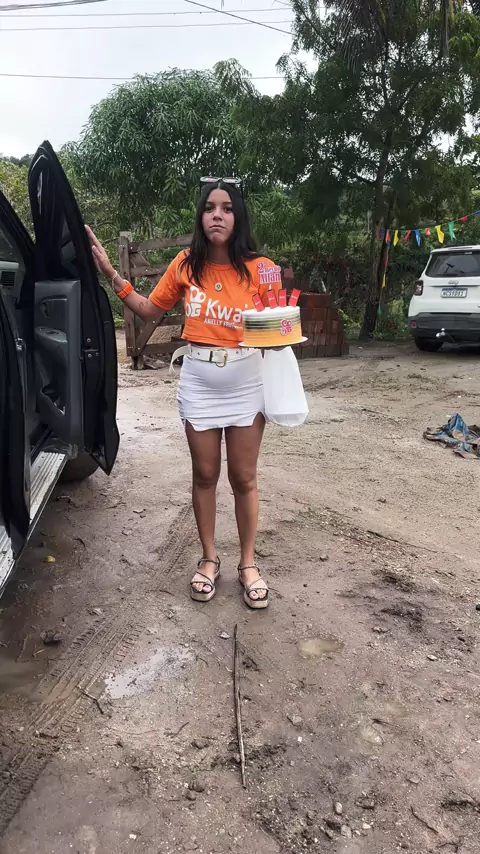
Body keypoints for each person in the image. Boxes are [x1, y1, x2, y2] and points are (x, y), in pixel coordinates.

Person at [86, 178, 282, 610]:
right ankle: (209, 559)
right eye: (210, 208)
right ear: (200, 216)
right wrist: (111, 274)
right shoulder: (185, 265)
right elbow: (148, 310)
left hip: (248, 383)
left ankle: (248, 564)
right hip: (199, 383)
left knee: (244, 478)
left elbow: (278, 329)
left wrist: (283, 332)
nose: (217, 215)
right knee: (205, 475)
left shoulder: (261, 268)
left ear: (238, 216)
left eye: (226, 208)